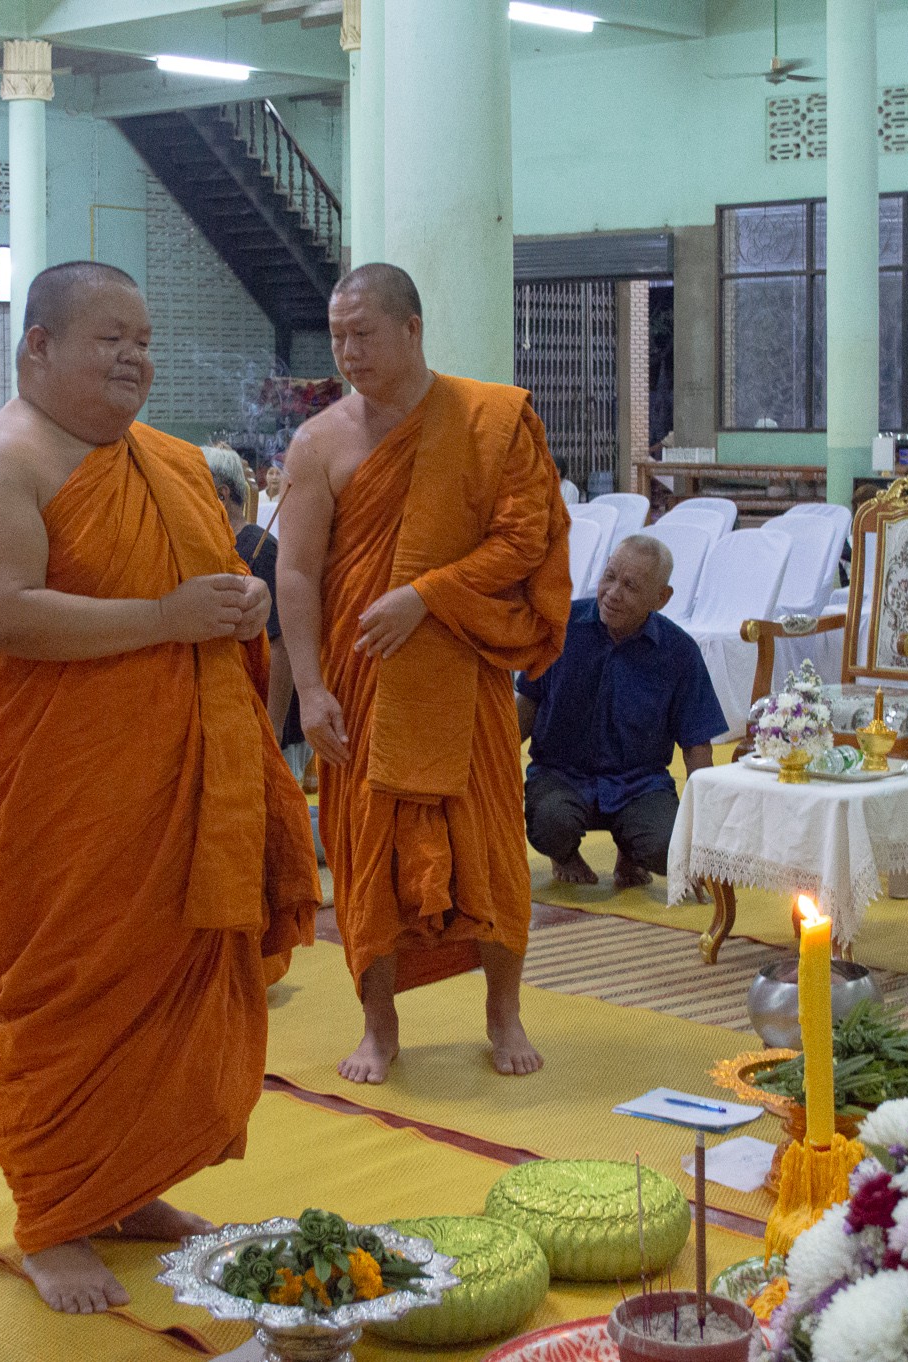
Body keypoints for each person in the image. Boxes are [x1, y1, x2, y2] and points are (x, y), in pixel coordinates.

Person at [0, 261, 319, 1315]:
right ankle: (51, 1219)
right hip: (52, 800)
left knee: (159, 990)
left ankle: (126, 1189)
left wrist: (233, 607)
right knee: (64, 997)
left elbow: (189, 593)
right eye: (110, 339)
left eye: (144, 340)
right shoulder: (0, 467)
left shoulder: (164, 463)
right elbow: (0, 616)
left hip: (167, 787)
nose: (135, 358)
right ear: (37, 346)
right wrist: (168, 619)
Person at [278, 263, 571, 1086]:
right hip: (363, 680)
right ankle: (379, 1027)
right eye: (337, 336)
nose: (348, 352)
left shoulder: (489, 421)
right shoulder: (320, 442)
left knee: (489, 849)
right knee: (368, 856)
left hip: (462, 673)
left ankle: (504, 1011)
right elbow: (296, 574)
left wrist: (426, 595)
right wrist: (310, 690)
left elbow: (525, 539)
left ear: (412, 329)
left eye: (363, 333)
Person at [517, 535, 724, 889]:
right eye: (609, 577)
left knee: (669, 850)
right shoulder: (561, 627)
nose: (612, 593)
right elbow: (527, 704)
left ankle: (631, 851)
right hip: (560, 776)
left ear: (661, 598)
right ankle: (564, 854)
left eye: (630, 586)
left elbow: (696, 746)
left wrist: (703, 835)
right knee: (551, 823)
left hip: (638, 785)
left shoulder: (680, 652)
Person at [208, 446, 298, 747]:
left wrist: (273, 726)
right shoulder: (218, 545)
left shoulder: (261, 549)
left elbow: (281, 644)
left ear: (221, 495)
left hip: (271, 717)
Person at [255, 457, 285, 528]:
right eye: (271, 473)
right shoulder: (257, 497)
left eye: (278, 474)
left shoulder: (286, 499)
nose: (274, 477)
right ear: (265, 476)